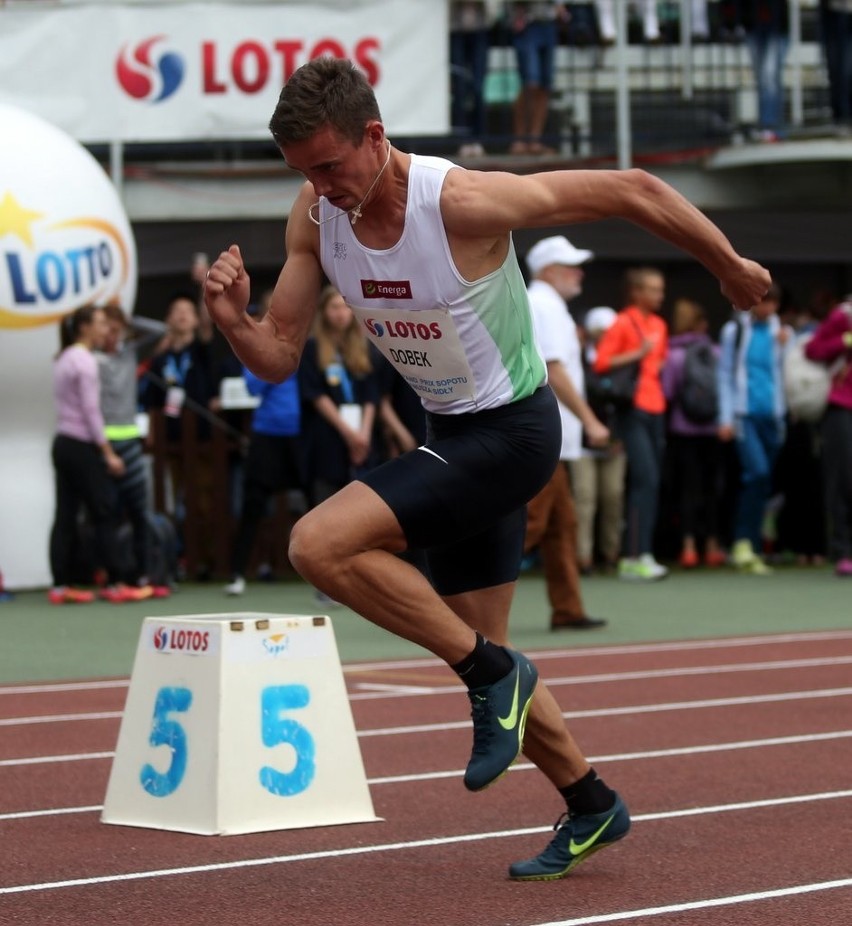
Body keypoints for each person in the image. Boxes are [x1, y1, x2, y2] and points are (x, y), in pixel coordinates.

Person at [203, 57, 770, 881]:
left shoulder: (460, 201)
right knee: (487, 652)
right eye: (303, 174)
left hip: (513, 435)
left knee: (317, 547)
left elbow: (634, 187)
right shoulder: (316, 215)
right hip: (452, 435)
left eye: (330, 166)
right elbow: (278, 357)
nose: (320, 188)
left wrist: (726, 266)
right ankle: (589, 800)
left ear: (375, 135)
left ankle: (492, 674)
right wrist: (231, 320)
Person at [524, 235, 609, 629]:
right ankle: (455, 601)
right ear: (549, 270)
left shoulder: (543, 302)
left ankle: (568, 609)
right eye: (571, 265)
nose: (579, 273)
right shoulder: (545, 304)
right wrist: (590, 420)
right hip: (547, 433)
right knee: (530, 525)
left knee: (560, 526)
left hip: (550, 434)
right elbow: (554, 369)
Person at [224, 291, 305, 597]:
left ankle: (327, 583)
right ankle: (236, 573)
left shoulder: (305, 343)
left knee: (320, 499)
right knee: (253, 505)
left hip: (300, 436)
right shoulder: (258, 344)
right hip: (267, 433)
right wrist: (267, 353)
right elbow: (252, 384)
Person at [594, 267, 670, 581]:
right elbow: (600, 362)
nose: (659, 295)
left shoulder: (660, 325)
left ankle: (644, 553)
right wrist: (637, 353)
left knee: (651, 482)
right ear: (636, 292)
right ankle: (633, 556)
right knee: (644, 479)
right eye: (652, 289)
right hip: (633, 410)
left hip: (656, 408)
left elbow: (660, 361)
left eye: (661, 289)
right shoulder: (623, 323)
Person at [48, 304, 127, 604]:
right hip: (80, 444)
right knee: (103, 510)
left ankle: (59, 586)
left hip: (62, 443)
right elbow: (91, 411)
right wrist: (108, 453)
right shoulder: (85, 361)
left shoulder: (64, 357)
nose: (105, 328)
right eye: (100, 323)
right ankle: (115, 581)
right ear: (84, 328)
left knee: (65, 515)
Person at [717, 284, 792, 575]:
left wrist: (787, 346)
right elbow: (724, 375)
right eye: (763, 303)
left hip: (773, 419)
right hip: (744, 416)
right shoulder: (733, 332)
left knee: (762, 483)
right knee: (756, 473)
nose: (767, 309)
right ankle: (742, 542)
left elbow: (787, 374)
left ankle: (754, 545)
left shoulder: (783, 334)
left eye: (772, 303)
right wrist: (725, 418)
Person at [660, 298, 727, 568]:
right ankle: (711, 545)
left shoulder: (673, 355)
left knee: (688, 489)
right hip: (713, 430)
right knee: (712, 489)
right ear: (702, 325)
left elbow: (667, 392)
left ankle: (688, 548)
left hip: (682, 430)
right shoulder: (717, 353)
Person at [572, 306, 627, 575]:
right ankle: (583, 559)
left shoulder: (624, 361)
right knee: (585, 500)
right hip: (582, 442)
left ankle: (611, 554)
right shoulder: (578, 359)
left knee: (613, 497)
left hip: (614, 442)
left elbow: (626, 401)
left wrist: (618, 436)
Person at [804, 298, 852, 577]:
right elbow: (813, 349)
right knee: (845, 478)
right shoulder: (844, 316)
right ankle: (844, 550)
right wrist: (846, 341)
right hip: (842, 408)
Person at [507, 2, 565, 154]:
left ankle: (534, 139)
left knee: (545, 86)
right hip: (528, 24)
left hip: (549, 24)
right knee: (530, 83)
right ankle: (519, 139)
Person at [450, 1, 499, 157]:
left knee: (478, 87)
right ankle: (462, 139)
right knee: (460, 87)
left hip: (480, 29)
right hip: (455, 28)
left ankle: (478, 139)